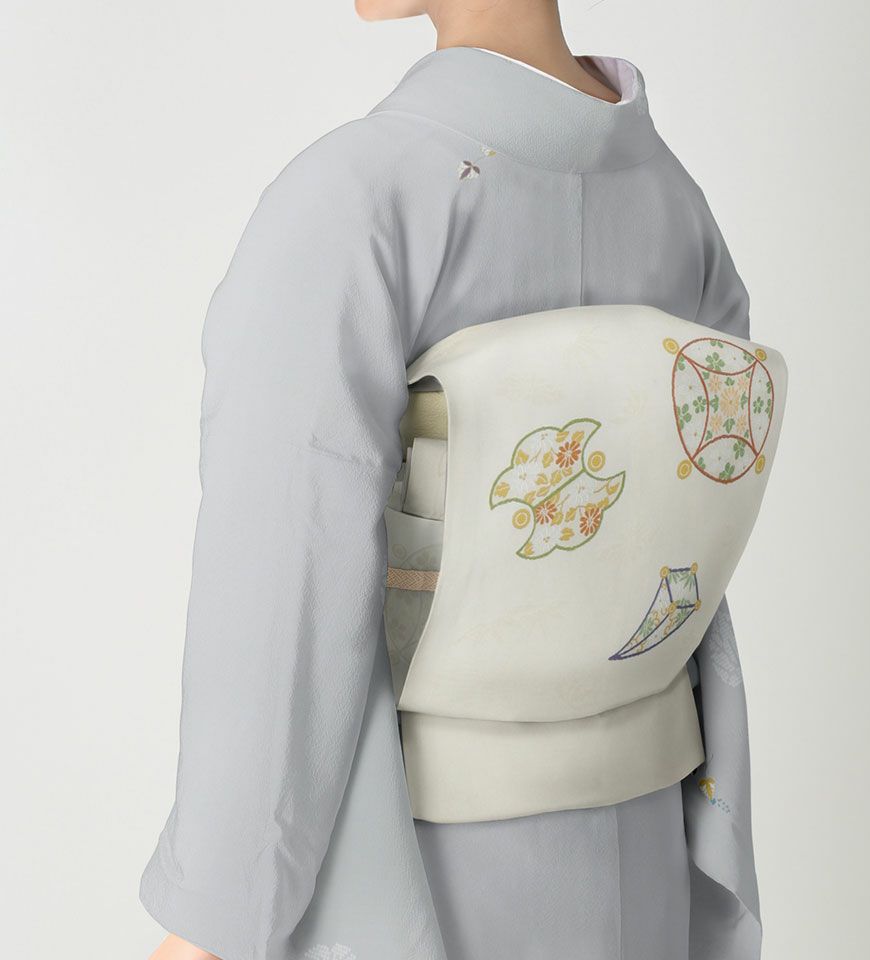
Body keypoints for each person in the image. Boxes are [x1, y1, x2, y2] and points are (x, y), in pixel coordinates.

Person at [141, 2, 765, 959]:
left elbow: (285, 570)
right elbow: (692, 536)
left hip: (421, 869)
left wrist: (215, 914)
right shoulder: (677, 206)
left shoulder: (357, 197)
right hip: (647, 845)